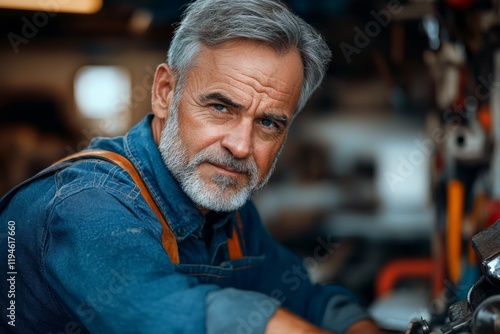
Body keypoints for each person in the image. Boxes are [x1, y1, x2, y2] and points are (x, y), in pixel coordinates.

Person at [0, 0, 382, 333]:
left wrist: (359, 327)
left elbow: (304, 299)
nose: (240, 146)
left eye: (268, 123)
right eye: (220, 107)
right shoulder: (86, 205)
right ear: (165, 93)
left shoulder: (229, 213)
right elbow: (162, 314)